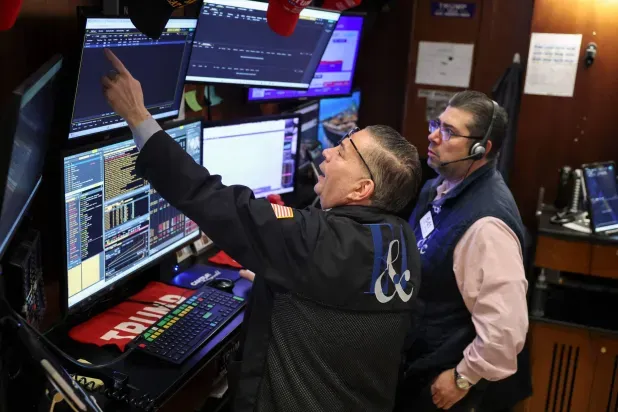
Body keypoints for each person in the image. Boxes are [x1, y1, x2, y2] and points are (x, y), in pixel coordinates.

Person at [100, 48, 423, 412]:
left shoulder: (318, 241)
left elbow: (210, 198)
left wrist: (138, 117)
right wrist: (281, 275)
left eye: (343, 152)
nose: (327, 153)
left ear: (362, 189)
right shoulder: (402, 240)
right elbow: (339, 298)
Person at [395, 91, 530, 411]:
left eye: (449, 132)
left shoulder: (487, 227)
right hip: (418, 360)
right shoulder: (438, 187)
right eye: (437, 124)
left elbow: (505, 331)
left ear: (481, 149)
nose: (433, 136)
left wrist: (463, 377)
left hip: (444, 382)